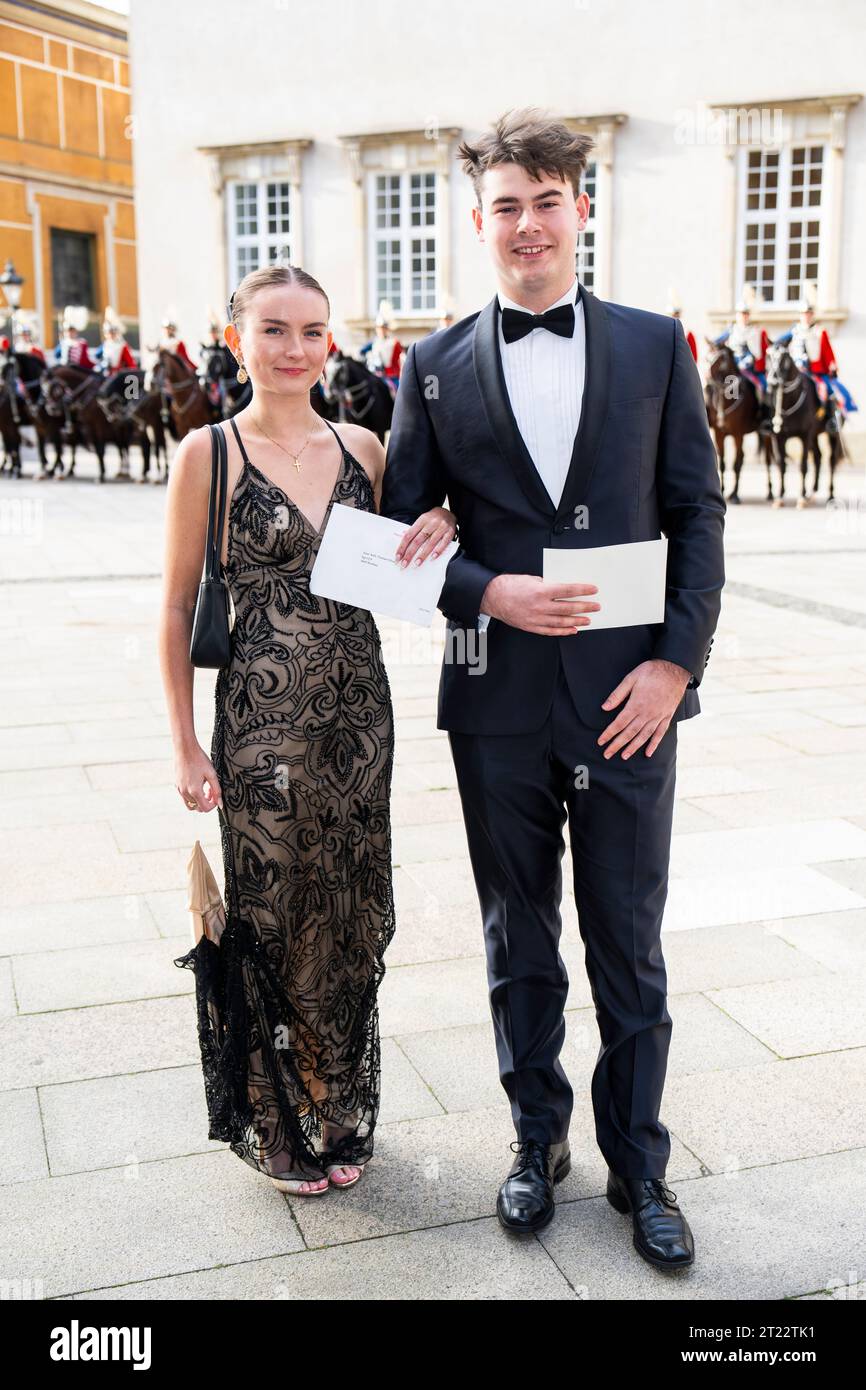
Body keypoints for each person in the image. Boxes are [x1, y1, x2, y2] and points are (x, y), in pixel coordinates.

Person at [382, 107, 725, 1269]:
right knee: (515, 941)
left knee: (627, 943)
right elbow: (401, 540)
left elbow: (694, 514)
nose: (525, 225)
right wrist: (486, 590)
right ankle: (536, 1142)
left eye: (546, 201)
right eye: (504, 207)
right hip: (496, 702)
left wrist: (674, 665)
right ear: (478, 222)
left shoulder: (650, 345)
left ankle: (641, 1164)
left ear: (580, 206)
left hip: (628, 700)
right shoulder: (428, 369)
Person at [160, 264, 456, 1197]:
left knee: (351, 912)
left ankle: (334, 1102)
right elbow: (173, 609)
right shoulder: (206, 454)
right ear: (237, 334)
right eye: (276, 330)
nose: (296, 350)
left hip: (360, 717)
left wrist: (440, 523)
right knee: (272, 912)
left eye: (314, 332)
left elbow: (407, 559)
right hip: (260, 722)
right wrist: (183, 741)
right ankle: (274, 1118)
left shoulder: (365, 445)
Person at [776, 301, 858, 419]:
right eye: (804, 314)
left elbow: (827, 351)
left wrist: (832, 367)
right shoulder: (794, 331)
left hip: (815, 371)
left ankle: (830, 419)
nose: (806, 316)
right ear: (800, 315)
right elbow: (779, 342)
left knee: (829, 390)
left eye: (809, 314)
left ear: (812, 315)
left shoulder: (819, 331)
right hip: (798, 370)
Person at [712, 300, 769, 396]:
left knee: (762, 385)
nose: (743, 316)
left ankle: (761, 407)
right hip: (731, 364)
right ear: (737, 315)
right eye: (741, 314)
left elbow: (756, 353)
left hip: (746, 365)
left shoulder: (753, 331)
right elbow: (717, 342)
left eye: (746, 314)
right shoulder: (731, 329)